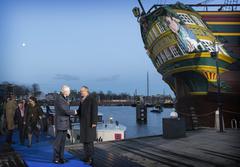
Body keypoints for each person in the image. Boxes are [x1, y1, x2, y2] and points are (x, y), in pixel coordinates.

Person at [53, 85, 77, 164]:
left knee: (63, 142)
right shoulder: (60, 99)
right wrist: (75, 112)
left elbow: (65, 109)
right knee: (58, 142)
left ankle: (61, 157)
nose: (70, 92)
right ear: (65, 91)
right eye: (69, 91)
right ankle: (56, 158)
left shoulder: (63, 98)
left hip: (64, 123)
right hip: (60, 123)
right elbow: (65, 111)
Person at [77, 86, 98, 165]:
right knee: (84, 141)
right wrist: (73, 112)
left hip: (90, 123)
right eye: (80, 91)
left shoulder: (92, 99)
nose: (81, 92)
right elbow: (79, 111)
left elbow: (95, 111)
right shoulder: (82, 100)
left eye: (82, 91)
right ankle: (86, 156)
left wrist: (94, 122)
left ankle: (90, 158)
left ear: (86, 91)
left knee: (89, 141)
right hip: (83, 123)